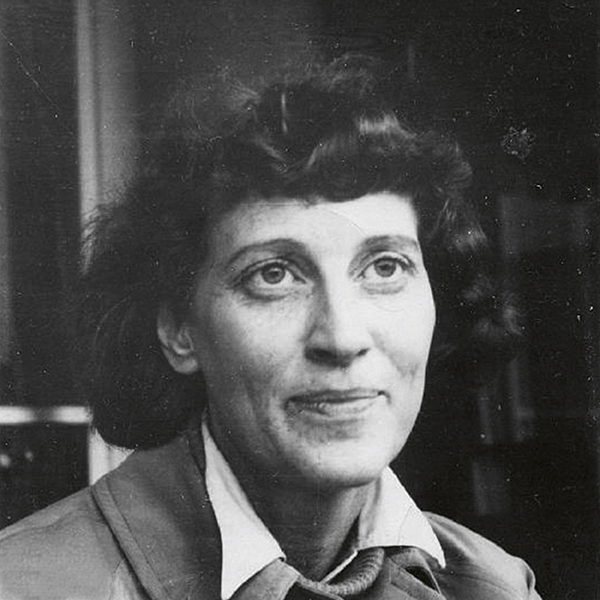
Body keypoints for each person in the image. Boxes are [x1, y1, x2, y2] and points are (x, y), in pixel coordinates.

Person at [0, 54, 541, 599]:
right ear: (179, 330)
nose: (342, 337)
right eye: (274, 275)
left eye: (385, 268)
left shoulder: (496, 586)